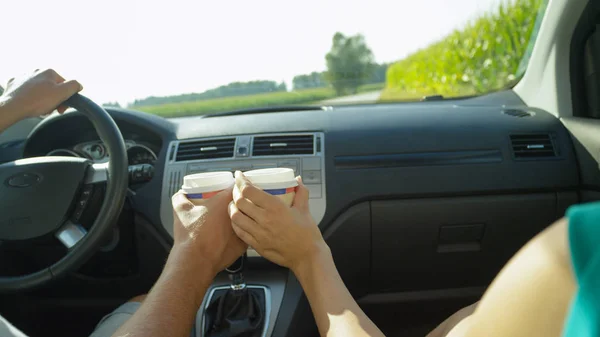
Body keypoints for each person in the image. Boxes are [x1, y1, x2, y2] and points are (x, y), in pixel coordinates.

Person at [0, 69, 595, 337]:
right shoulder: (573, 265)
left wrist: (195, 256)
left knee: (137, 302)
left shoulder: (568, 266)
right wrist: (309, 253)